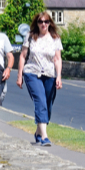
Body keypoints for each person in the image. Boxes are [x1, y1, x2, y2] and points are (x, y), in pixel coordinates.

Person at [17, 12, 63, 146]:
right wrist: (20, 75)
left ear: (50, 23)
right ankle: (44, 136)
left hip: (50, 75)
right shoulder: (31, 37)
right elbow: (22, 56)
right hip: (32, 73)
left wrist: (59, 76)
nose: (43, 24)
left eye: (46, 22)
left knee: (47, 105)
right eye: (40, 22)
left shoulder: (55, 38)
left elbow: (58, 59)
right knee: (40, 101)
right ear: (36, 23)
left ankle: (38, 132)